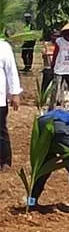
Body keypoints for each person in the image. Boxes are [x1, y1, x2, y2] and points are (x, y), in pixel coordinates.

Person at [0, 37, 23, 172]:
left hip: (0, 98)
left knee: (1, 130)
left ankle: (4, 160)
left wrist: (14, 93)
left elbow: (11, 71)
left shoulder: (3, 47)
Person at [41, 30, 60, 95]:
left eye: (58, 36)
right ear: (51, 36)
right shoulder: (47, 44)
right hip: (48, 68)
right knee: (45, 86)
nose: (56, 38)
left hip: (58, 69)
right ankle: (43, 99)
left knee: (58, 85)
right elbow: (44, 54)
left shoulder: (60, 45)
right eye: (55, 36)